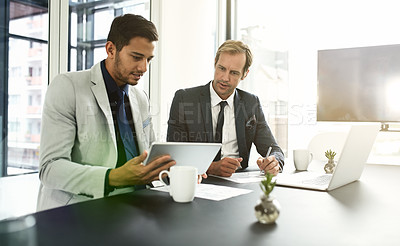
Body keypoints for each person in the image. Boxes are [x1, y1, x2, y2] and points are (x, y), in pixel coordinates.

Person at [37, 14, 175, 211]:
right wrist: (113, 177)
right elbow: (50, 168)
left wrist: (172, 171)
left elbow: (149, 155)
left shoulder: (141, 97)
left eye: (148, 59)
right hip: (82, 210)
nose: (144, 67)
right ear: (111, 49)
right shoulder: (67, 86)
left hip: (137, 206)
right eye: (136, 57)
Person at [167, 40, 284, 177]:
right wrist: (210, 167)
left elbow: (274, 149)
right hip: (199, 180)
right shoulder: (184, 99)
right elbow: (174, 155)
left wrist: (274, 162)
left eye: (234, 73)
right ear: (215, 62)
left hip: (239, 179)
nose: (225, 78)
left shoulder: (251, 103)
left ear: (245, 74)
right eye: (221, 68)